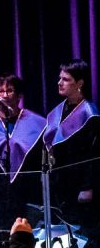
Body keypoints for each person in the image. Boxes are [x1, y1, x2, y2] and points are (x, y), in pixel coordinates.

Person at [0, 73, 46, 220]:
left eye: (10, 90)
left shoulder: (37, 123)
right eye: (1, 91)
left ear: (19, 96)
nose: (5, 95)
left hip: (28, 194)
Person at [43, 59, 100, 235]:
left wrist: (87, 187)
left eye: (65, 79)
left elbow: (94, 155)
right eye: (60, 78)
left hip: (80, 186)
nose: (59, 83)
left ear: (79, 83)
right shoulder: (57, 111)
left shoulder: (90, 114)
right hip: (60, 184)